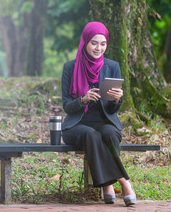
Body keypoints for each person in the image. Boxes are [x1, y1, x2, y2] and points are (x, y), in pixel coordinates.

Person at [61, 21, 136, 206]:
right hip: (77, 125)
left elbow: (112, 109)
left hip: (104, 121)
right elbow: (67, 106)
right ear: (85, 41)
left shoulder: (112, 66)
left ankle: (107, 185)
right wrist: (83, 100)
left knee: (110, 134)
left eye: (103, 44)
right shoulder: (70, 68)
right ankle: (123, 182)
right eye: (94, 42)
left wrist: (117, 100)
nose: (98, 48)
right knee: (91, 135)